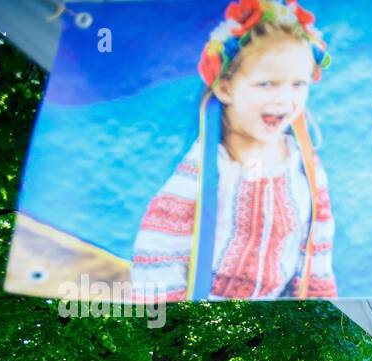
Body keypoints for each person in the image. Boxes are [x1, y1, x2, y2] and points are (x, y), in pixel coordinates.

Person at [131, 1, 337, 300]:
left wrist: (318, 309)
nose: (284, 99)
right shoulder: (206, 166)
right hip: (209, 314)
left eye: (298, 84)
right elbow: (158, 252)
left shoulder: (303, 163)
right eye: (266, 83)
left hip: (275, 314)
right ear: (225, 88)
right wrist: (180, 323)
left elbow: (318, 244)